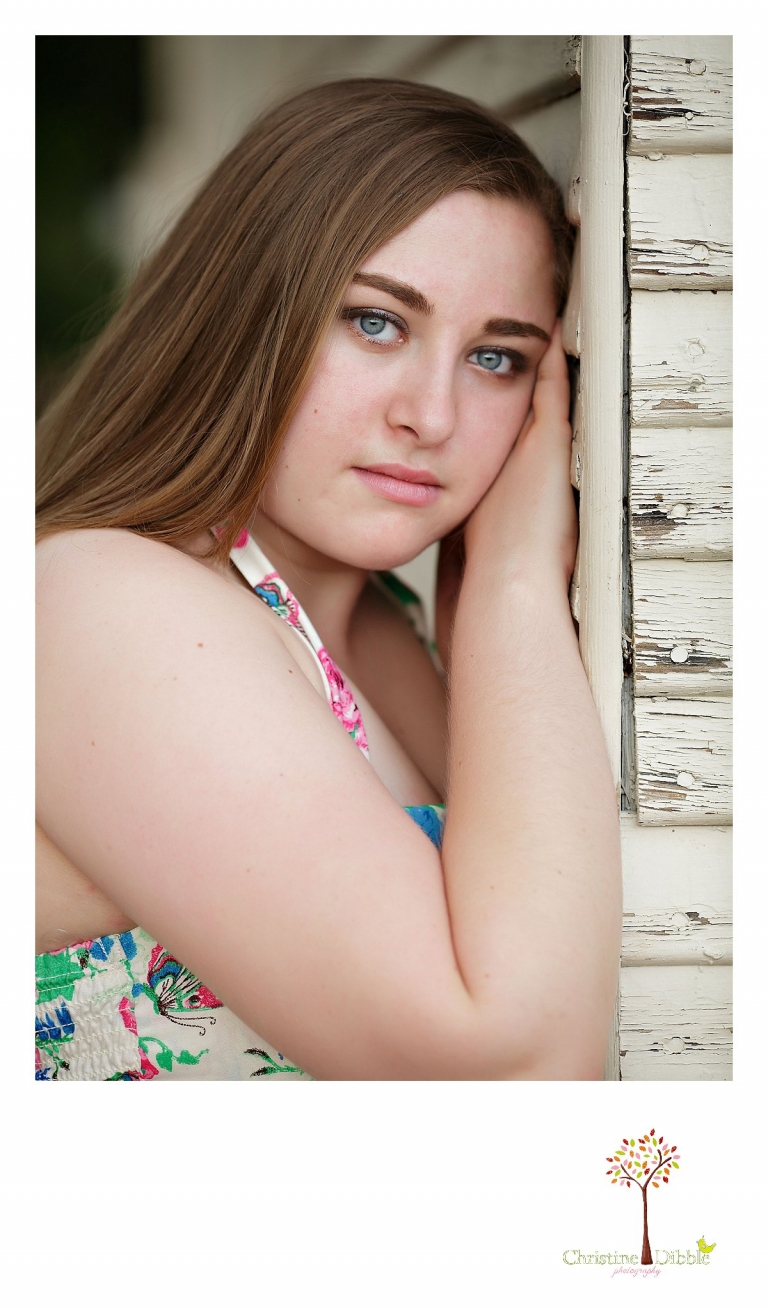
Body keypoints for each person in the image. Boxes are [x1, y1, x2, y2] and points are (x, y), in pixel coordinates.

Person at [35, 78, 622, 1081]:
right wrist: (516, 587)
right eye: (377, 323)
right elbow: (511, 1070)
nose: (430, 415)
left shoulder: (382, 627)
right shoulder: (105, 604)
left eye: (495, 357)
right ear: (245, 310)